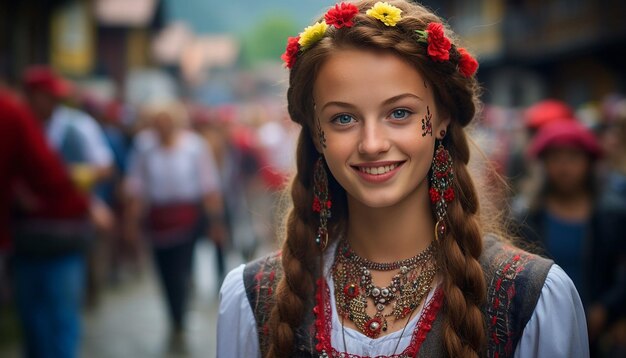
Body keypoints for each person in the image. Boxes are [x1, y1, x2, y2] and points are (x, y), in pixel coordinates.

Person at [217, 1, 588, 357]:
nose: (373, 144)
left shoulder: (529, 298)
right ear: (317, 134)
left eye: (399, 112)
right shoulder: (256, 296)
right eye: (343, 118)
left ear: (441, 118)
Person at [515, 119, 626, 356]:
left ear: (589, 162)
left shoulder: (612, 215)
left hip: (601, 330)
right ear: (544, 163)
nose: (564, 167)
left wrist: (607, 308)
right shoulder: (527, 218)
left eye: (573, 157)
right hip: (541, 327)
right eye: (555, 158)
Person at [124, 101, 227, 352]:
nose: (164, 128)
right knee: (163, 268)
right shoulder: (144, 146)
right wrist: (131, 221)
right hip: (157, 218)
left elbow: (208, 184)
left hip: (187, 216)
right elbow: (136, 184)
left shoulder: (194, 146)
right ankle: (173, 312)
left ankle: (180, 313)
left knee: (182, 267)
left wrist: (215, 221)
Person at [0, 88, 90, 358]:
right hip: (26, 239)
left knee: (61, 315)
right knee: (33, 319)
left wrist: (85, 199)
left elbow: (58, 175)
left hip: (62, 237)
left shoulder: (74, 128)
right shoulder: (14, 116)